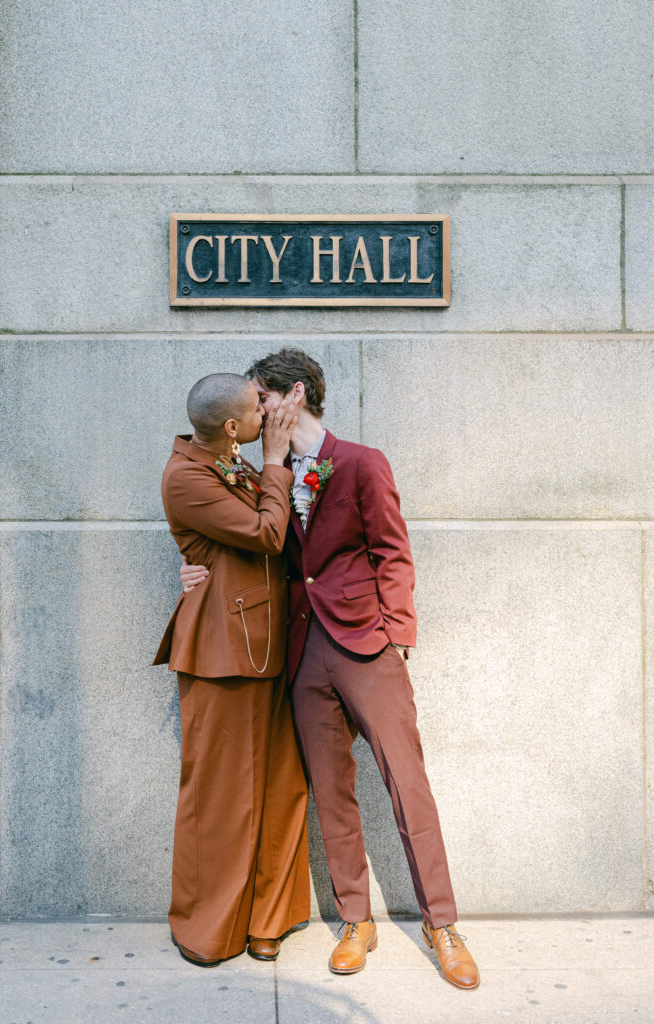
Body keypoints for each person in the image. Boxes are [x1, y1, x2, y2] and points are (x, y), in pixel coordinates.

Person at [180, 350, 480, 990]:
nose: (251, 411)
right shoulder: (264, 471)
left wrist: (397, 634)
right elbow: (238, 536)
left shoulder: (364, 463)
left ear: (292, 398)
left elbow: (393, 552)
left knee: (407, 783)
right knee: (331, 790)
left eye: (259, 399)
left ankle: (443, 924)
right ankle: (354, 921)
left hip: (368, 643)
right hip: (303, 646)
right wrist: (197, 573)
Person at [154, 372, 310, 966]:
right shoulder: (187, 476)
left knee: (280, 786)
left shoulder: (232, 460)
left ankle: (267, 919)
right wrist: (275, 459)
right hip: (222, 654)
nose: (264, 415)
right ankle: (207, 931)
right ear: (230, 427)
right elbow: (267, 534)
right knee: (219, 800)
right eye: (255, 409)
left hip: (271, 646)